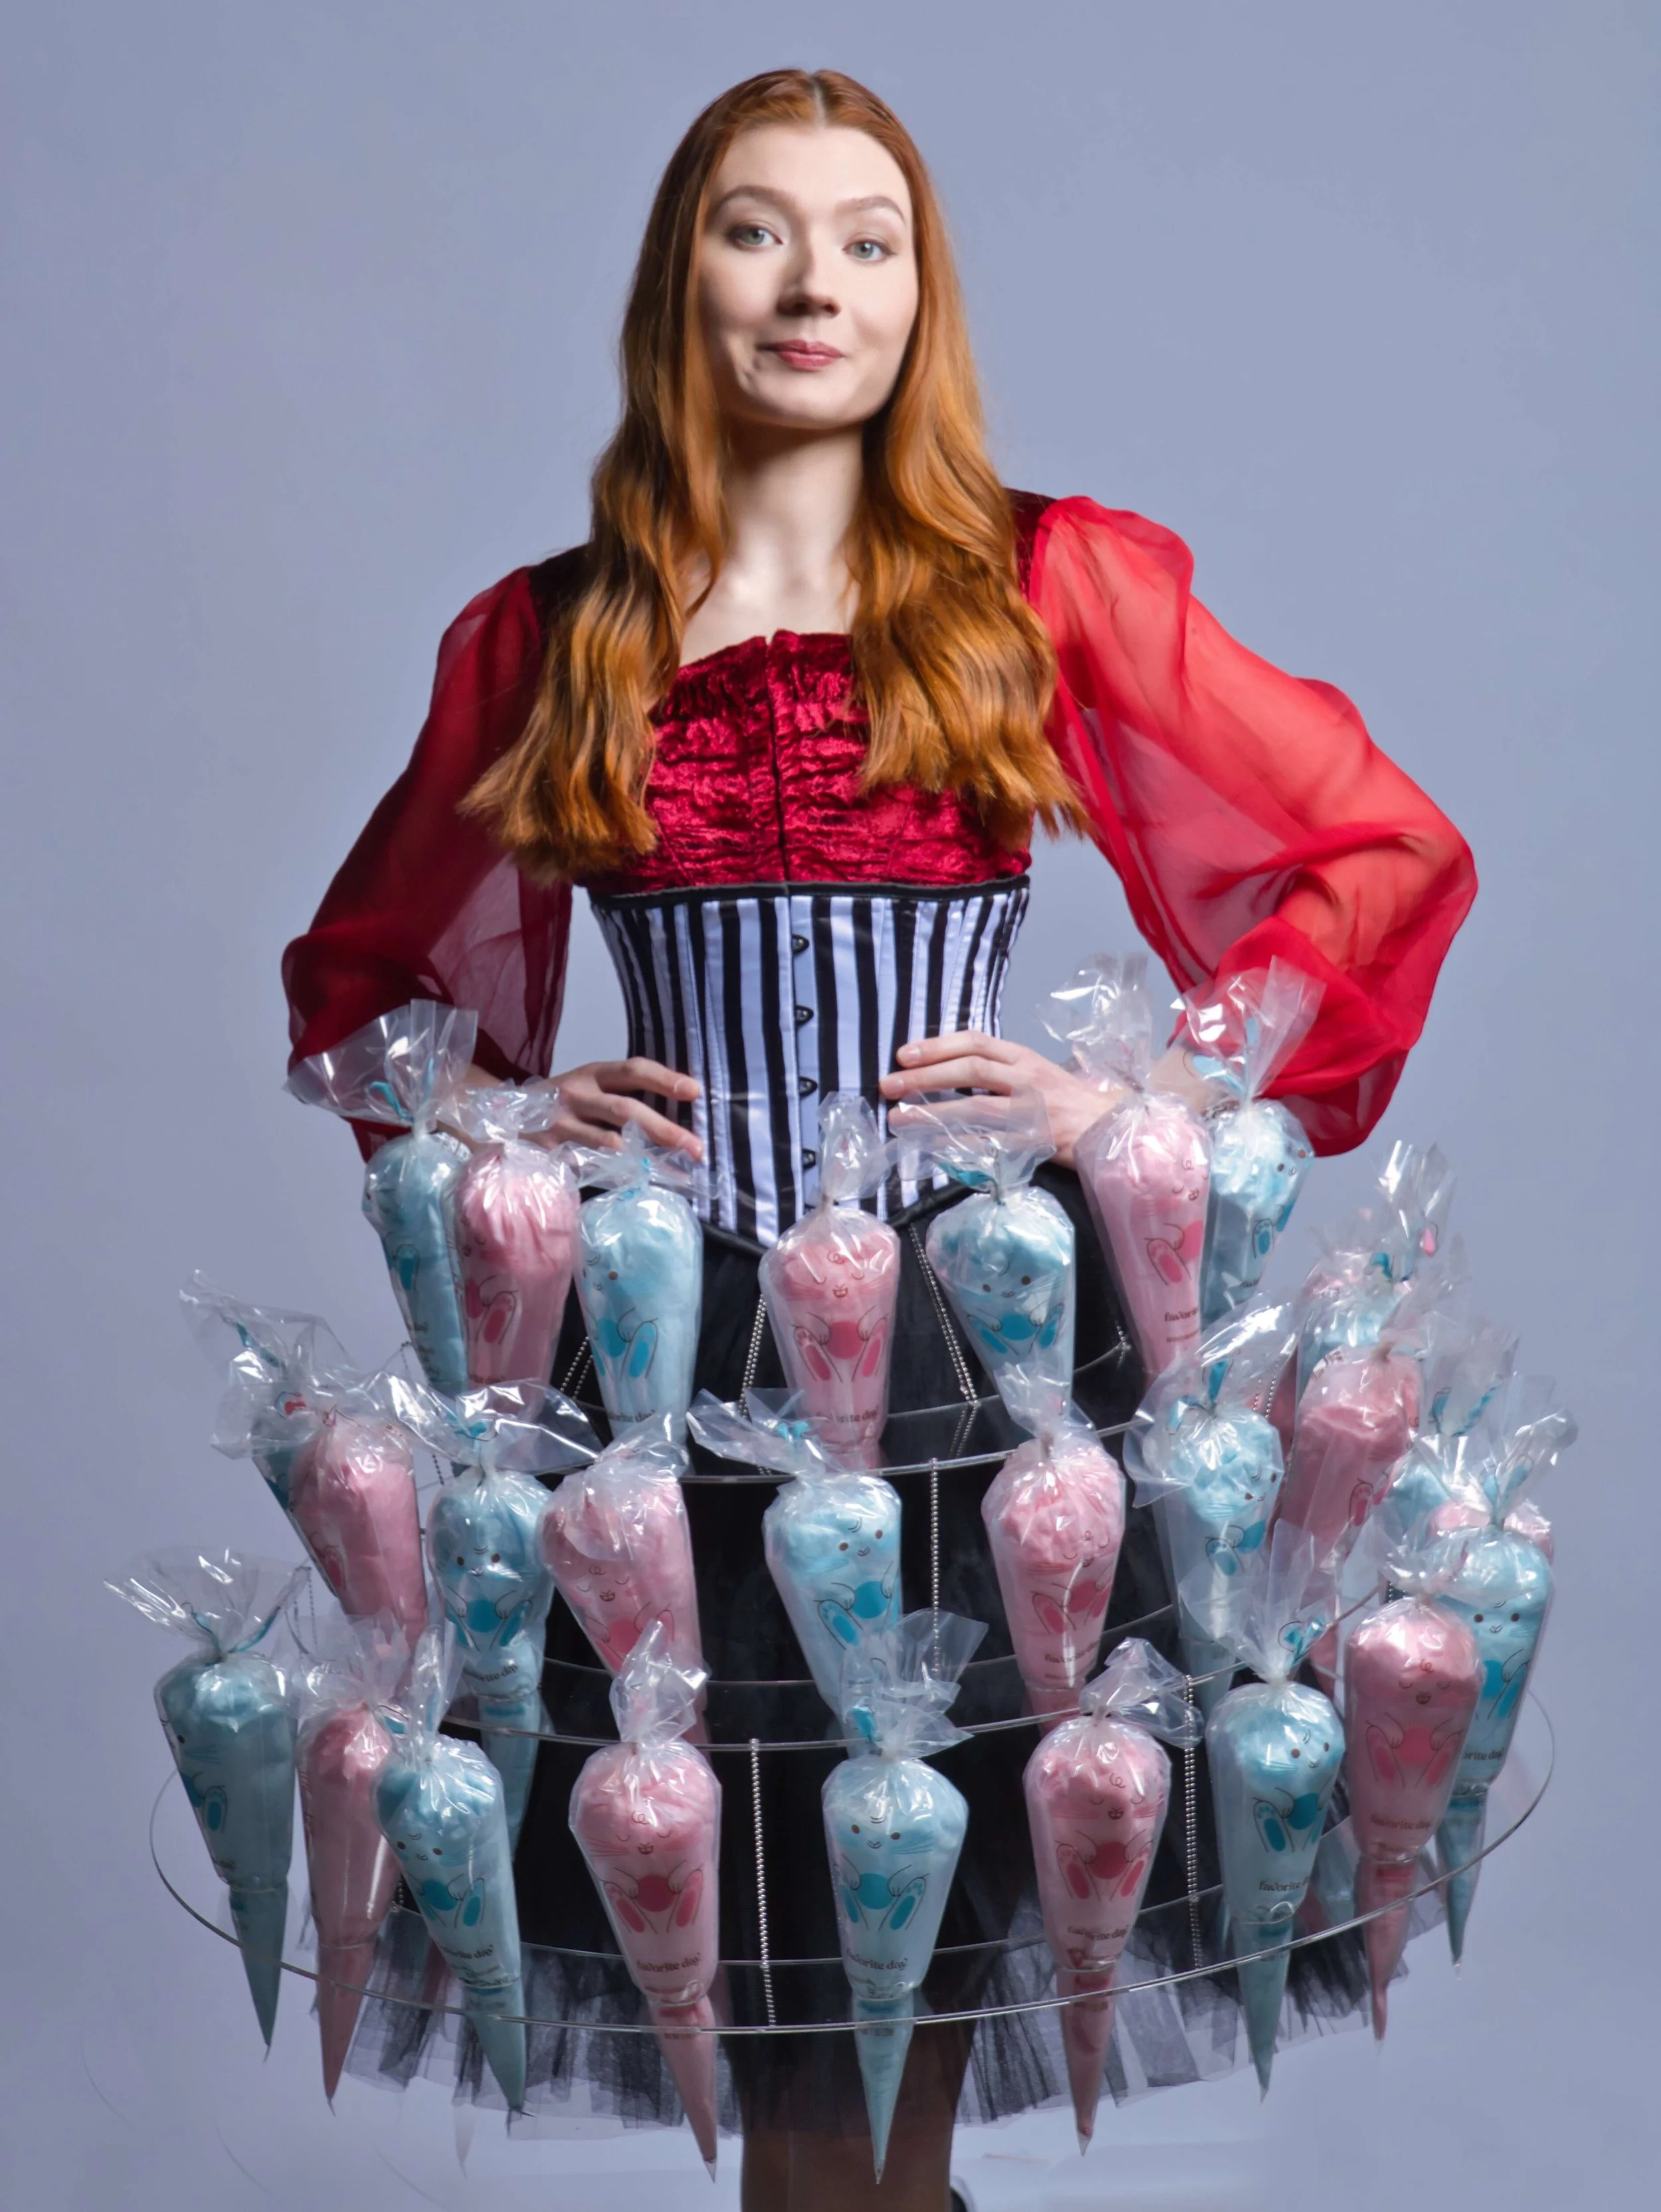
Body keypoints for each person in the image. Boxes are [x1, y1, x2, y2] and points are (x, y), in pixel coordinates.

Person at [283, 67, 1474, 2212]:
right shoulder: (554, 632)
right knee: (775, 2051)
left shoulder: (1044, 583)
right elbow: (356, 993)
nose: (809, 282)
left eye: (865, 237)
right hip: (656, 1384)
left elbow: (1380, 851)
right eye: (755, 230)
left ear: (921, 292)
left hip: (968, 1384)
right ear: (682, 283)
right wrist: (491, 1107)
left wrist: (1150, 1094)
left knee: (886, 2049)